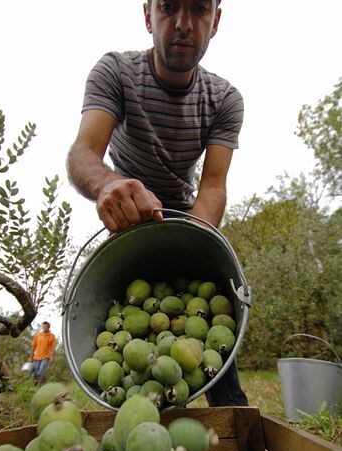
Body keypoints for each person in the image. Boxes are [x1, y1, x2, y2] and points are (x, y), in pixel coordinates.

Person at [67, 0, 248, 406]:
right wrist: (105, 184)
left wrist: (195, 244)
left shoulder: (225, 99)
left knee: (213, 316)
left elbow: (213, 186)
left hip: (186, 218)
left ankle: (234, 415)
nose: (183, 23)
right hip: (125, 219)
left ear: (215, 21)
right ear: (148, 14)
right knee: (112, 318)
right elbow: (83, 153)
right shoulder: (114, 72)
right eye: (168, 6)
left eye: (199, 8)